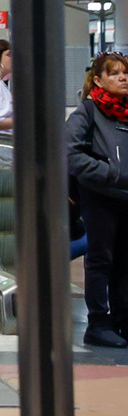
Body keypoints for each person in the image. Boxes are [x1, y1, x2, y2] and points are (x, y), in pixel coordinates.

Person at [66, 51, 128, 348]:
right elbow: (71, 154)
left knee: (124, 262)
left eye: (125, 72)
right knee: (100, 259)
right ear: (99, 79)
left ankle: (122, 321)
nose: (122, 77)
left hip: (125, 196)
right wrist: (107, 173)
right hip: (99, 196)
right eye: (114, 73)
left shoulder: (126, 111)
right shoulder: (88, 112)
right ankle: (98, 322)